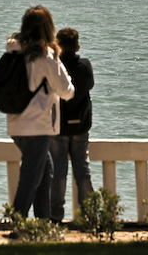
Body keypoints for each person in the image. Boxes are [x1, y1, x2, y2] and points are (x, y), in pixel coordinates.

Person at [3, 6, 74, 224]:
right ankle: (17, 223)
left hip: (16, 123)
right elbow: (65, 90)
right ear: (48, 27)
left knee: (45, 171)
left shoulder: (12, 51)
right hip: (39, 125)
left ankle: (43, 222)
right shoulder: (46, 55)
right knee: (30, 177)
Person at [49, 27, 95, 222]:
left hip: (58, 125)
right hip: (80, 125)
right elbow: (89, 85)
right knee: (82, 168)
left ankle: (55, 215)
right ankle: (89, 214)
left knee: (58, 170)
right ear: (77, 46)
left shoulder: (54, 67)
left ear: (57, 46)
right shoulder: (84, 66)